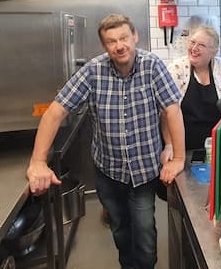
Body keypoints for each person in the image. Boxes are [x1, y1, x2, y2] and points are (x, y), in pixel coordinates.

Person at [26, 14, 185, 269]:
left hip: (144, 173)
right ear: (104, 46)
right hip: (108, 174)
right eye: (111, 41)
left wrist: (177, 157)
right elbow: (54, 112)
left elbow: (172, 110)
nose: (119, 45)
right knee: (120, 230)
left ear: (135, 36)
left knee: (144, 235)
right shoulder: (93, 71)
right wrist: (38, 161)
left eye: (123, 38)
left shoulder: (152, 66)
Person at [164, 25, 221, 150]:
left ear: (214, 51)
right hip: (183, 148)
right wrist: (169, 146)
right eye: (192, 42)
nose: (194, 48)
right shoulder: (177, 68)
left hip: (220, 148)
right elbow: (165, 113)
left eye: (201, 45)